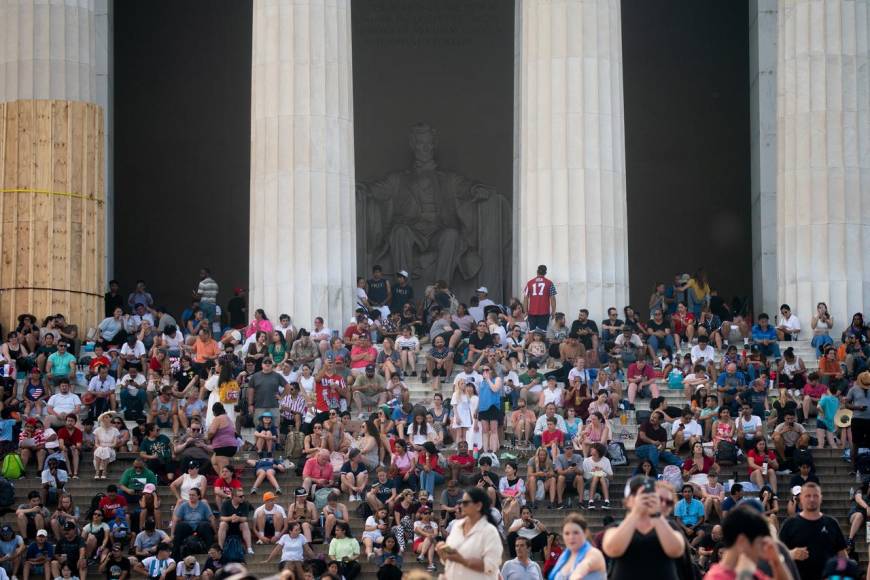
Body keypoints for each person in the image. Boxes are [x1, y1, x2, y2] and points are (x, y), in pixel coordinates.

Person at [603, 476, 685, 579]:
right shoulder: (615, 528)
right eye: (638, 494)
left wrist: (655, 514)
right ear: (628, 500)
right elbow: (612, 549)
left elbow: (676, 550)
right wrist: (636, 513)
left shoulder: (670, 527)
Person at [779, 482, 848, 580]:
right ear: (801, 498)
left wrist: (839, 576)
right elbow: (777, 555)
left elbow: (842, 556)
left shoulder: (831, 523)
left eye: (815, 495)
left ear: (821, 498)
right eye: (807, 496)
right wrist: (791, 554)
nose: (812, 499)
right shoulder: (789, 524)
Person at [705, 505, 794, 580]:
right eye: (759, 544)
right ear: (742, 542)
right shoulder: (718, 577)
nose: (760, 552)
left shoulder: (749, 572)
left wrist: (776, 561)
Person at [436, 486, 503, 580]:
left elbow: (491, 566)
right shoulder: (456, 526)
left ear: (478, 506)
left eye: (466, 503)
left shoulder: (489, 531)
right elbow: (450, 560)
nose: (461, 506)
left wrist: (461, 560)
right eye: (461, 502)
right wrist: (443, 554)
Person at [846, 372, 870, 475]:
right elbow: (846, 404)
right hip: (857, 419)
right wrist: (857, 407)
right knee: (855, 444)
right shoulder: (853, 389)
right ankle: (853, 468)